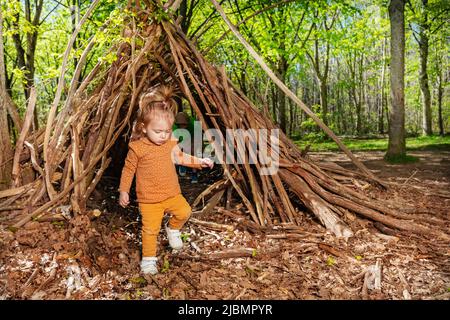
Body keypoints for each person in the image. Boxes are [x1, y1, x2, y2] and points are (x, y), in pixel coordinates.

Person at [118, 85, 214, 275]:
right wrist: (124, 190)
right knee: (150, 231)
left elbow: (180, 158)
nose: (163, 136)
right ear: (144, 128)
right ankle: (148, 260)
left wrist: (199, 162)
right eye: (158, 131)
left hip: (171, 194)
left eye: (167, 131)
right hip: (149, 200)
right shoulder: (137, 148)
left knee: (185, 212)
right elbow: (128, 169)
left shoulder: (169, 143)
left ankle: (172, 229)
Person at [173, 111, 199, 183]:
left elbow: (197, 137)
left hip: (192, 137)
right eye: (180, 125)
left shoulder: (194, 124)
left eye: (184, 124)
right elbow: (176, 141)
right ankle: (182, 164)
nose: (182, 127)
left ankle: (194, 174)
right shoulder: (174, 127)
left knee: (194, 152)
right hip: (181, 140)